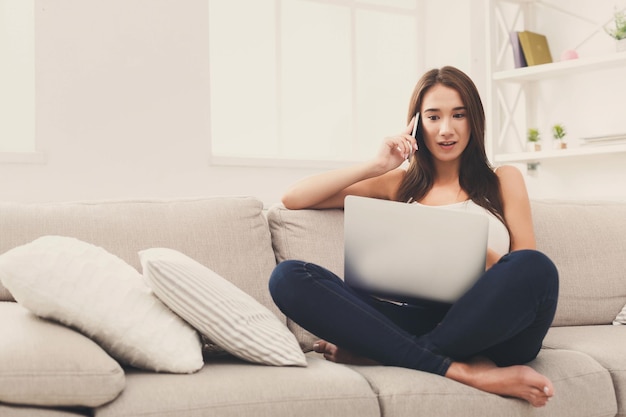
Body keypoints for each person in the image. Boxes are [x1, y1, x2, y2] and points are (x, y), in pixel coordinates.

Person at [268, 66, 559, 408]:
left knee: (536, 266)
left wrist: (476, 256)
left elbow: (524, 271)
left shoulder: (503, 179)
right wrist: (377, 165)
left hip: (498, 328)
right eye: (433, 117)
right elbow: (294, 198)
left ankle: (385, 353)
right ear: (417, 123)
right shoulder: (398, 184)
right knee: (289, 276)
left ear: (474, 120)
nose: (446, 129)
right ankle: (465, 371)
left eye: (458, 115)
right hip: (419, 317)